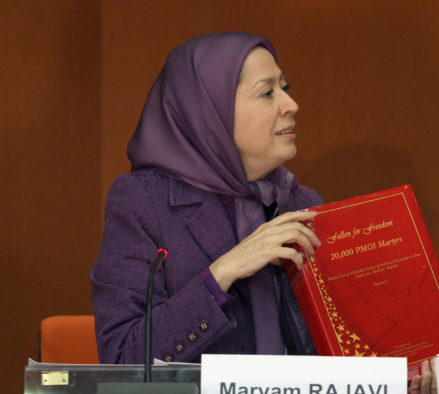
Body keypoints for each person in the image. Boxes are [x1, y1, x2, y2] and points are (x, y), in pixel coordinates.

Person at [90, 32, 323, 365]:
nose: (291, 105)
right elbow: (122, 358)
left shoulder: (300, 201)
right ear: (210, 110)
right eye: (268, 93)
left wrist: (411, 369)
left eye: (284, 89)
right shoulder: (144, 203)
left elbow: (341, 346)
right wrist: (223, 272)